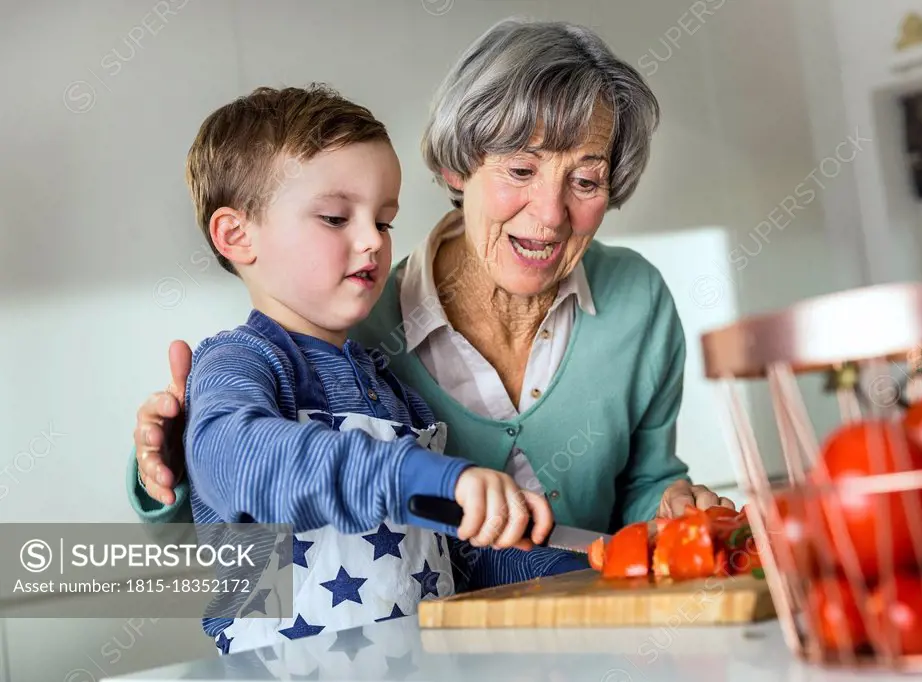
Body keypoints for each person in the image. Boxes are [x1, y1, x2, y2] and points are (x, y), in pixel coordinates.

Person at [130, 18, 733, 550]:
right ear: (456, 166)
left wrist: (669, 510)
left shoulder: (638, 300)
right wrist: (167, 467)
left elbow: (468, 549)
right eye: (521, 169)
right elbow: (233, 508)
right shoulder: (352, 329)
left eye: (586, 180)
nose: (550, 214)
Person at [173, 84, 584, 655]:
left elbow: (461, 548)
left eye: (384, 222)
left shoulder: (391, 392)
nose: (372, 241)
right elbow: (240, 463)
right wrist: (427, 477)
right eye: (336, 217)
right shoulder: (239, 363)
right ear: (237, 236)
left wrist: (587, 568)